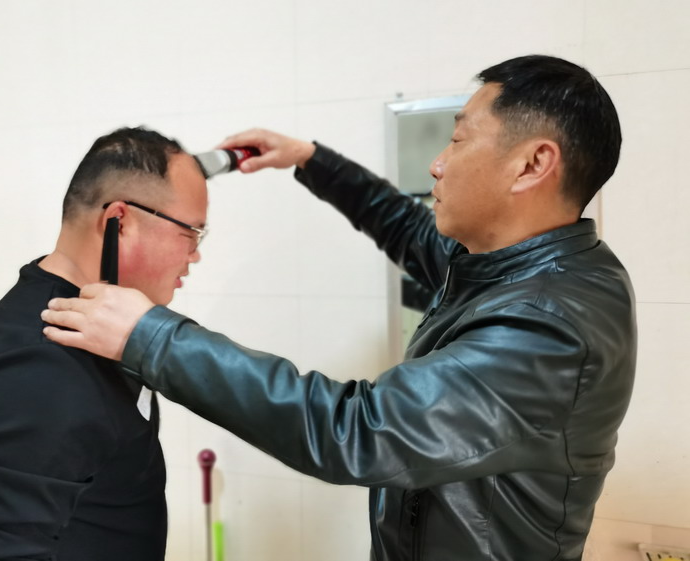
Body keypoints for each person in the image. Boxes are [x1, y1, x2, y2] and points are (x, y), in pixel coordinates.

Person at [41, 55, 636, 561]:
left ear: (532, 164)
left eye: (458, 140)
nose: (437, 163)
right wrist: (307, 158)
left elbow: (356, 430)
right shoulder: (502, 265)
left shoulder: (551, 324)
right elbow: (407, 228)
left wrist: (151, 337)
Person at [0, 126, 208, 560]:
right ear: (119, 222)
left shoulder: (104, 327)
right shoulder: (35, 368)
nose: (195, 255)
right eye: (190, 233)